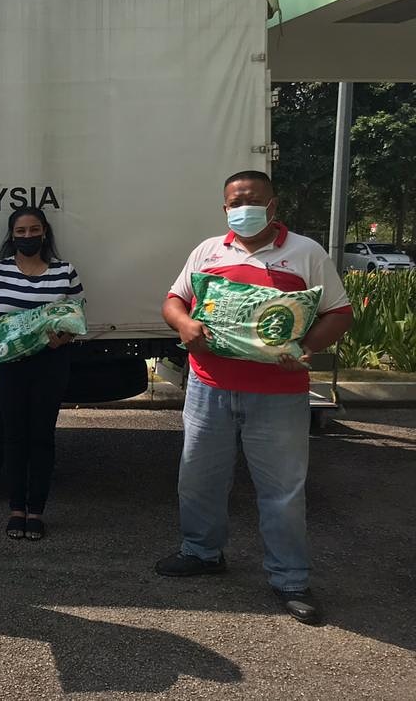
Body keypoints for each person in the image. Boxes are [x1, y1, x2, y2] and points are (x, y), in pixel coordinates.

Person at [155, 170, 352, 625]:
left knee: (282, 491)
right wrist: (184, 325)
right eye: (233, 202)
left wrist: (305, 348)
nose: (241, 208)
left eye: (251, 200)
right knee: (199, 479)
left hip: (278, 394)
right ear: (225, 208)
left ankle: (290, 580)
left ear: (273, 205)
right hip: (209, 388)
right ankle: (202, 553)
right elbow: (173, 300)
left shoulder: (305, 252)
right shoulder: (208, 251)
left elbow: (339, 312)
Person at [0, 207, 83, 542]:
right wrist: (3, 344)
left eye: (33, 230)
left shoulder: (65, 272)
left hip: (51, 363)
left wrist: (62, 338)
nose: (27, 236)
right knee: (13, 437)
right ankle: (15, 510)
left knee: (41, 437)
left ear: (45, 232)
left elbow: (77, 318)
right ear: (11, 235)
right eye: (20, 231)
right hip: (10, 365)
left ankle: (36, 510)